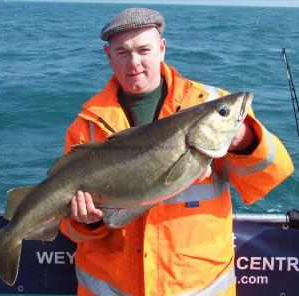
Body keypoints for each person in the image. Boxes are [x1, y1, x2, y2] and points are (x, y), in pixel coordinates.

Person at [59, 8, 294, 296]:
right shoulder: (86, 125)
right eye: (123, 52)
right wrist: (89, 221)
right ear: (109, 55)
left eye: (144, 50)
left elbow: (269, 177)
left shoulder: (210, 103)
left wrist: (245, 140)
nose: (135, 63)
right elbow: (70, 229)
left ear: (162, 48)